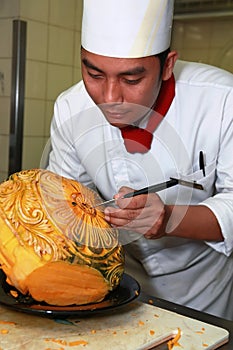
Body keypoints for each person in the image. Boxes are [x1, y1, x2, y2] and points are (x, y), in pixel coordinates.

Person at [46, 0, 233, 320]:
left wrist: (169, 218)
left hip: (203, 295)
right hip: (113, 289)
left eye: (132, 80)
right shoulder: (71, 108)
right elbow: (63, 204)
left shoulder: (221, 100)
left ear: (168, 65)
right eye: (93, 73)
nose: (109, 97)